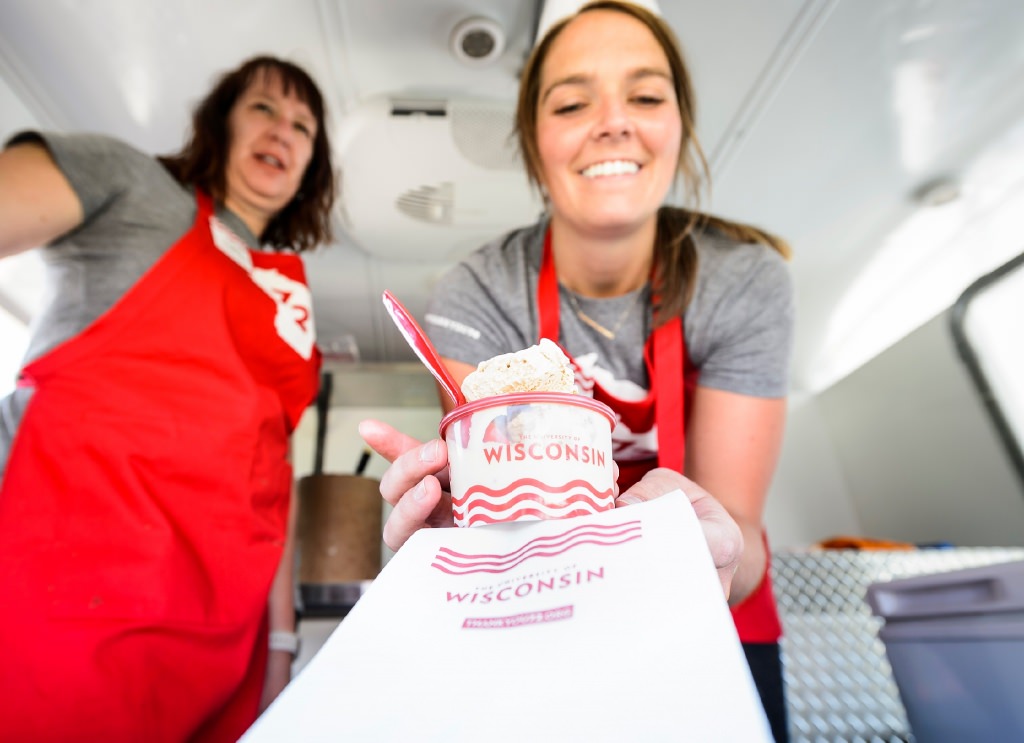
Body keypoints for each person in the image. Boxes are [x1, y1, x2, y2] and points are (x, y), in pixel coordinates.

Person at [368, 2, 794, 741]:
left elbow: (742, 533)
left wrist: (709, 552)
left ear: (679, 126)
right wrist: (466, 550)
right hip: (541, 612)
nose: (613, 121)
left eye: (646, 95)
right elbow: (499, 524)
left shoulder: (744, 280)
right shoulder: (481, 290)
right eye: (572, 101)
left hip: (714, 612)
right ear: (535, 143)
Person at [0, 55, 336, 742]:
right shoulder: (134, 186)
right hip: (63, 582)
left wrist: (278, 644)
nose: (285, 131)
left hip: (221, 635)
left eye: (305, 126)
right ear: (220, 124)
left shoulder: (291, 301)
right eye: (264, 108)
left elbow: (275, 473)